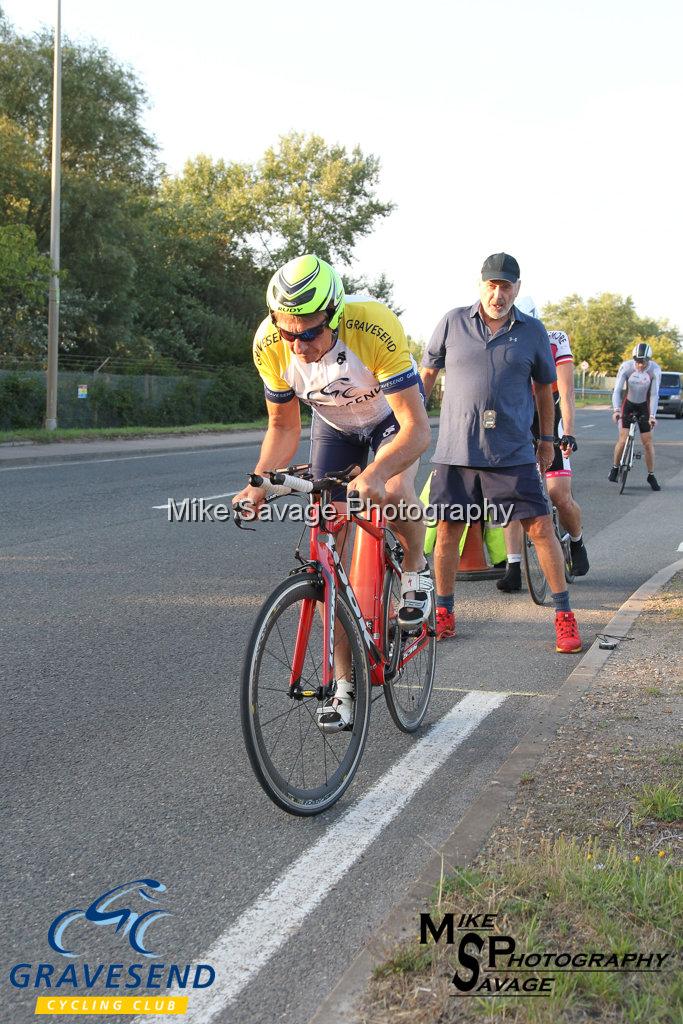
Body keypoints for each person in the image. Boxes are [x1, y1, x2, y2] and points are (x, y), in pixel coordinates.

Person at [232, 253, 433, 729]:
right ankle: (344, 685)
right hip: (335, 427)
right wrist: (258, 483)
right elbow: (283, 427)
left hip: (390, 421)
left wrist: (378, 473)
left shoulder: (374, 326)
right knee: (328, 552)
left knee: (393, 488)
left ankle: (415, 567)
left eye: (309, 333)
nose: (298, 345)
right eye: (287, 332)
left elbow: (417, 429)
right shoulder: (270, 346)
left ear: (337, 315)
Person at [420, 252, 582, 654]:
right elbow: (425, 375)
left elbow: (545, 389)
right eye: (492, 285)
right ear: (480, 285)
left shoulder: (532, 332)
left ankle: (564, 616)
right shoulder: (452, 322)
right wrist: (408, 425)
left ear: (517, 289)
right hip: (456, 452)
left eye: (506, 286)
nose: (498, 293)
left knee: (541, 529)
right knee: (447, 534)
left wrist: (547, 440)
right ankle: (444, 612)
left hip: (512, 452)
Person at [497, 298, 589, 592]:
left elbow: (567, 389)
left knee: (559, 495)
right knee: (511, 496)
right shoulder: (498, 339)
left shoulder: (555, 339)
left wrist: (569, 432)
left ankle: (576, 542)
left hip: (551, 418)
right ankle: (513, 565)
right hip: (516, 420)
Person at [609, 343, 662, 490]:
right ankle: (615, 467)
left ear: (648, 360)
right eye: (637, 361)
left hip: (644, 405)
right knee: (623, 438)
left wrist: (652, 415)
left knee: (647, 443)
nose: (639, 364)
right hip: (629, 404)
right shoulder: (626, 367)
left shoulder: (655, 370)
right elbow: (617, 390)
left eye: (643, 362)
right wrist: (616, 410)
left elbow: (654, 394)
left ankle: (651, 475)